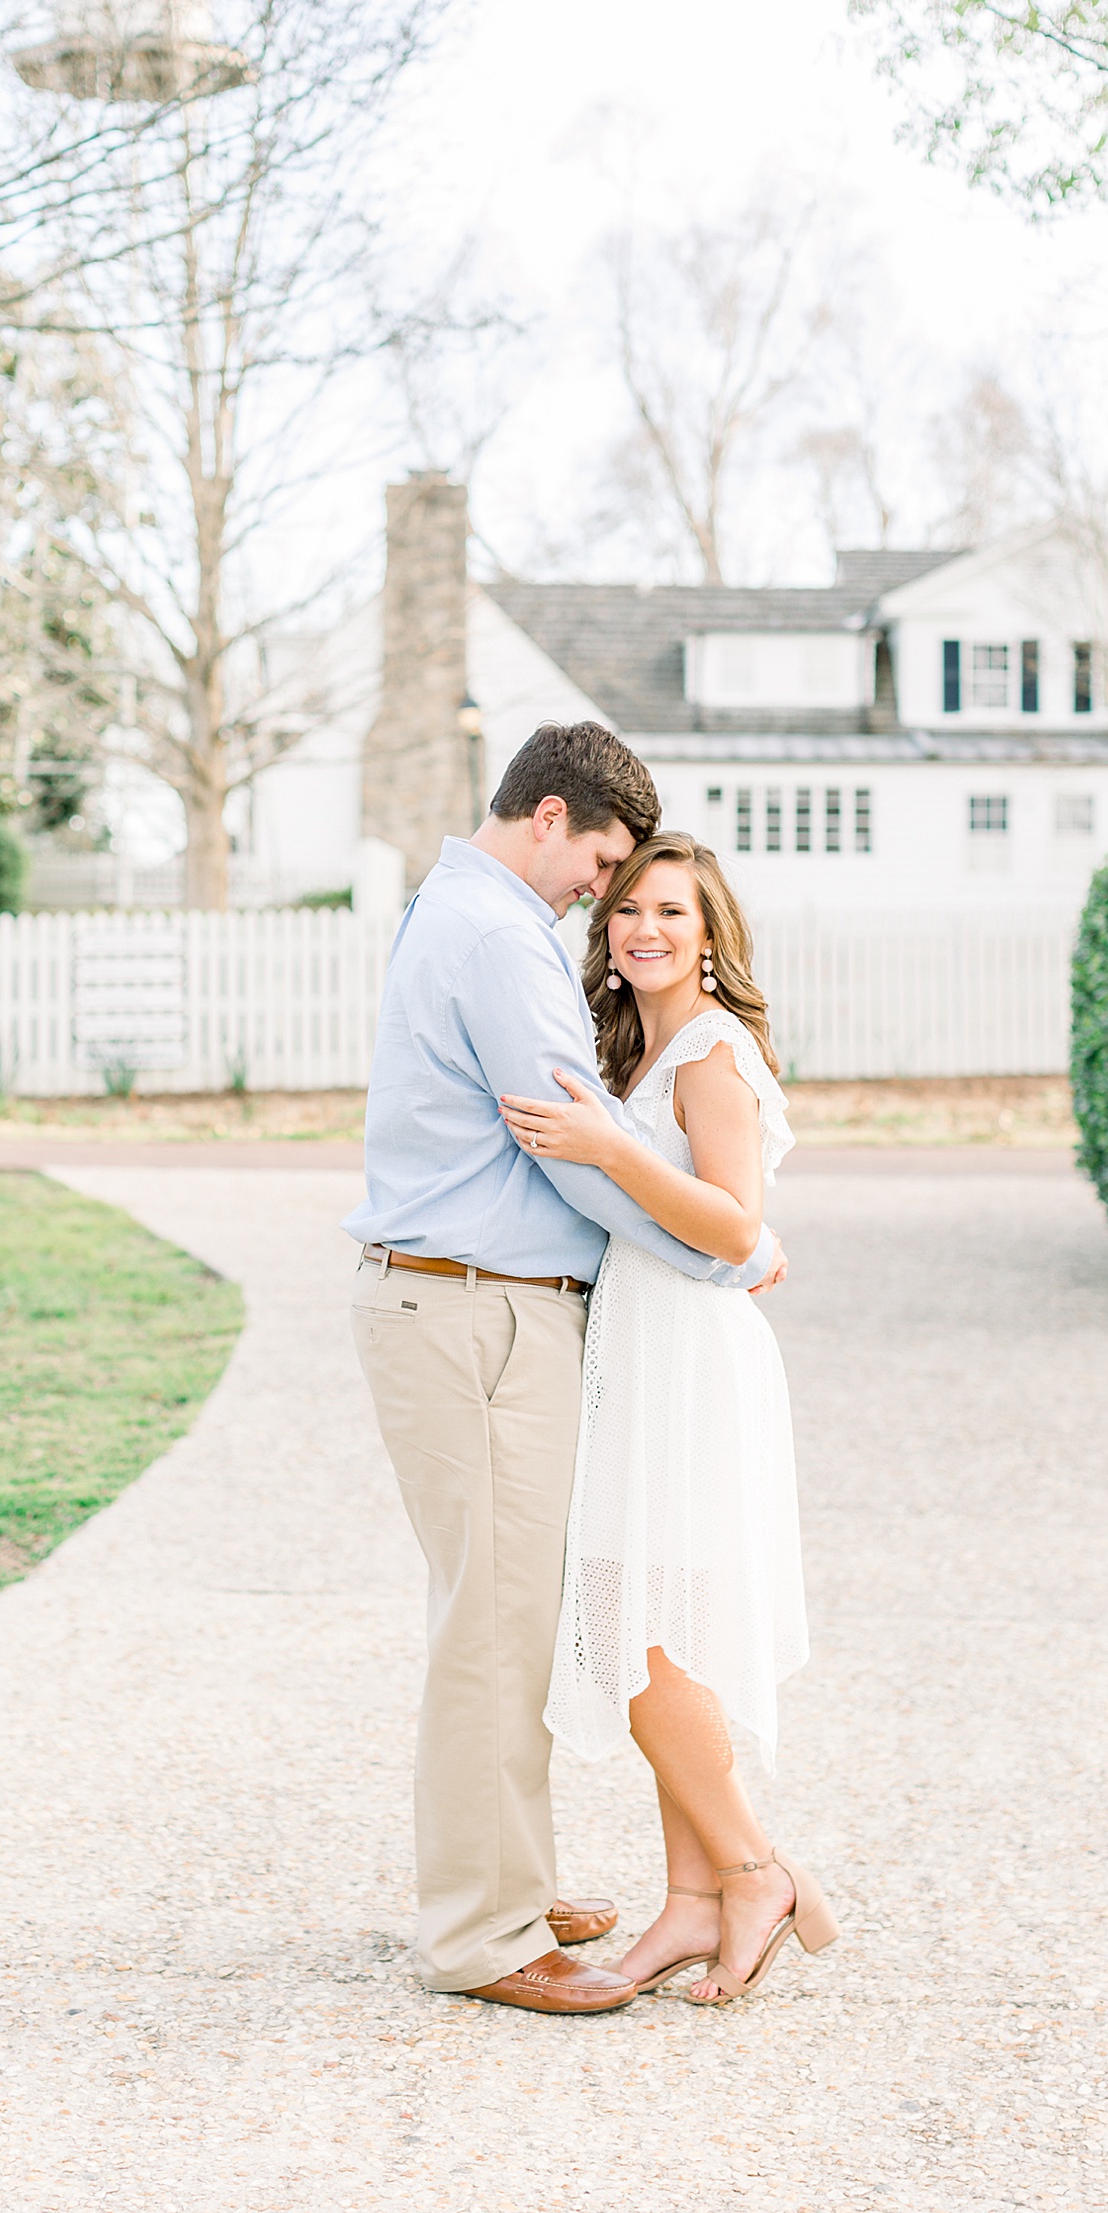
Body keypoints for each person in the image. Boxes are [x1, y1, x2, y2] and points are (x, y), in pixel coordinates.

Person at [344, 726, 787, 2016]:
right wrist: (728, 1250)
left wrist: (725, 1236)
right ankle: (485, 1930)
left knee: (506, 1610)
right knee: (496, 1624)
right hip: (472, 1309)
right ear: (550, 814)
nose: (602, 895)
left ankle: (508, 1879)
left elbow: (596, 1149)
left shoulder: (464, 911)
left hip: (467, 1305)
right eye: (601, 863)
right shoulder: (491, 936)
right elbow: (568, 1151)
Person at [498, 831, 838, 2005]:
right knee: (659, 1630)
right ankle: (691, 1900)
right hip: (644, 1345)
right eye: (628, 908)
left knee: (637, 1635)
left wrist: (603, 1143)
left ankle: (754, 1870)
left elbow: (737, 1226)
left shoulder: (707, 1050)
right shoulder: (635, 1043)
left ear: (710, 934)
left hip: (689, 1361)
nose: (645, 927)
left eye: (673, 912)